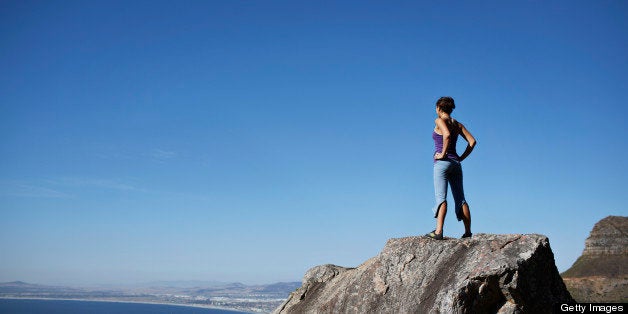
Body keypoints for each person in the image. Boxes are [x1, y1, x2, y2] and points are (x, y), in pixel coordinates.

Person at [426, 96, 476, 240]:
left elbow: (446, 134)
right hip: (456, 164)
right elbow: (472, 141)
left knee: (441, 197)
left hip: (442, 164)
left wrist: (442, 154)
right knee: (461, 199)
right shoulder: (457, 124)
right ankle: (467, 232)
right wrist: (460, 157)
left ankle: (438, 231)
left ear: (439, 108)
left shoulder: (439, 120)